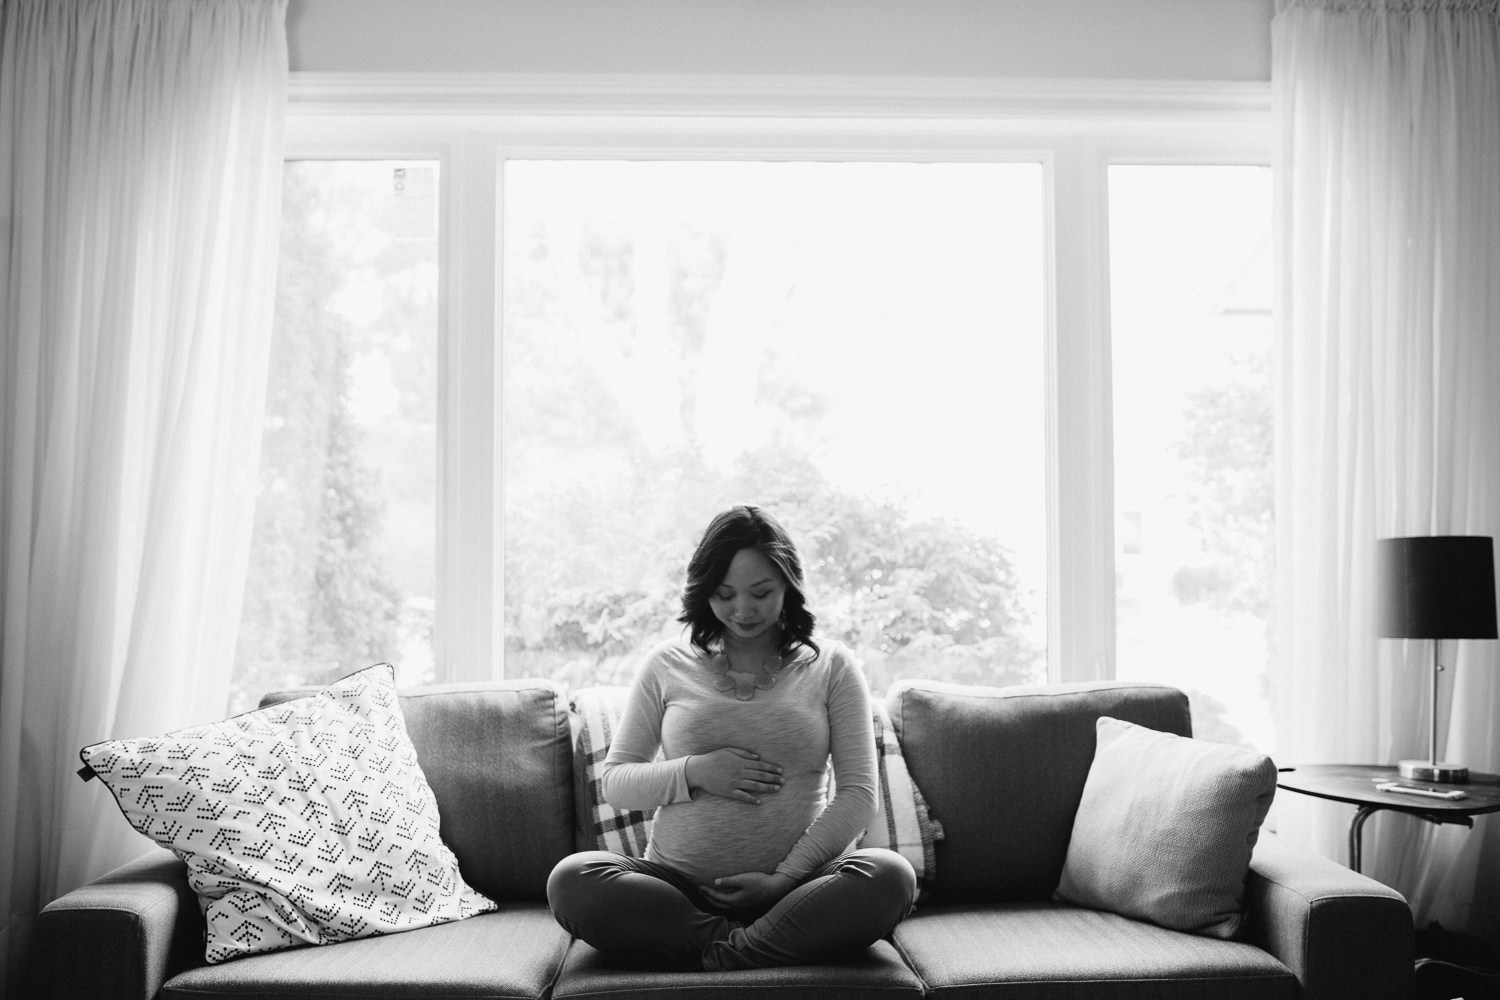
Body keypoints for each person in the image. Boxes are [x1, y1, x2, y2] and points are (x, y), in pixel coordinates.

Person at [546, 505, 917, 971]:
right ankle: (756, 948)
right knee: (573, 879)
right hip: (676, 893)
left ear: (788, 585)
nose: (743, 610)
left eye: (761, 592)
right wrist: (697, 771)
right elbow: (618, 783)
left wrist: (783, 879)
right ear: (704, 591)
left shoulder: (832, 666)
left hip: (798, 893)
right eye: (725, 594)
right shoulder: (666, 664)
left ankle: (719, 953)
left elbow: (859, 795)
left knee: (889, 876)